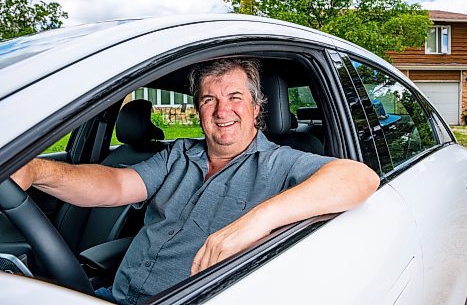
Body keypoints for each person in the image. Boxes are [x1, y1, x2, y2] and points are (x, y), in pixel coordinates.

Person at [11, 58, 380, 304]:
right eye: (209, 100)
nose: (222, 111)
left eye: (235, 97)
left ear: (256, 108)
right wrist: (37, 170)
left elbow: (358, 177)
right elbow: (117, 186)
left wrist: (254, 222)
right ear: (199, 110)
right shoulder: (179, 154)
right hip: (116, 294)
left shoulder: (280, 163)